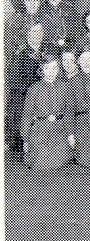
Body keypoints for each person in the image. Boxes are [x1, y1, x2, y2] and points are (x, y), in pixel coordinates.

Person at [20, 55, 76, 170]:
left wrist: (70, 134)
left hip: (59, 129)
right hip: (40, 130)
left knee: (63, 158)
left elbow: (69, 113)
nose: (51, 72)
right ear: (42, 69)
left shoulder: (65, 87)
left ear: (59, 69)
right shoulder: (34, 88)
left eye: (54, 68)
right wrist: (25, 139)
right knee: (41, 162)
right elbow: (27, 115)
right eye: (47, 68)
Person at [6, 23, 46, 161]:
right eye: (34, 32)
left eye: (40, 31)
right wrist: (33, 91)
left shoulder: (46, 52)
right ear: (28, 34)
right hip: (24, 96)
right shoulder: (20, 54)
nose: (37, 35)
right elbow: (13, 80)